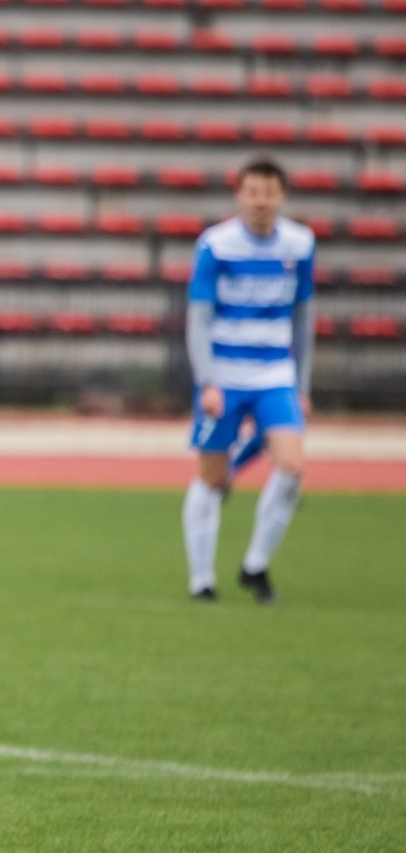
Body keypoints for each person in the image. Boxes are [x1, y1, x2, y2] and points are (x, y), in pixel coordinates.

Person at [181, 157, 315, 604]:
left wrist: (303, 384)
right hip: (225, 373)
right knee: (212, 477)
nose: (261, 201)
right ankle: (202, 580)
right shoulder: (216, 246)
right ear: (239, 195)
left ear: (282, 196)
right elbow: (198, 320)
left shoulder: (299, 244)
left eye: (269, 193)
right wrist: (207, 382)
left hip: (275, 374)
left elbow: (304, 318)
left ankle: (254, 565)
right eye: (253, 192)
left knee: (292, 467)